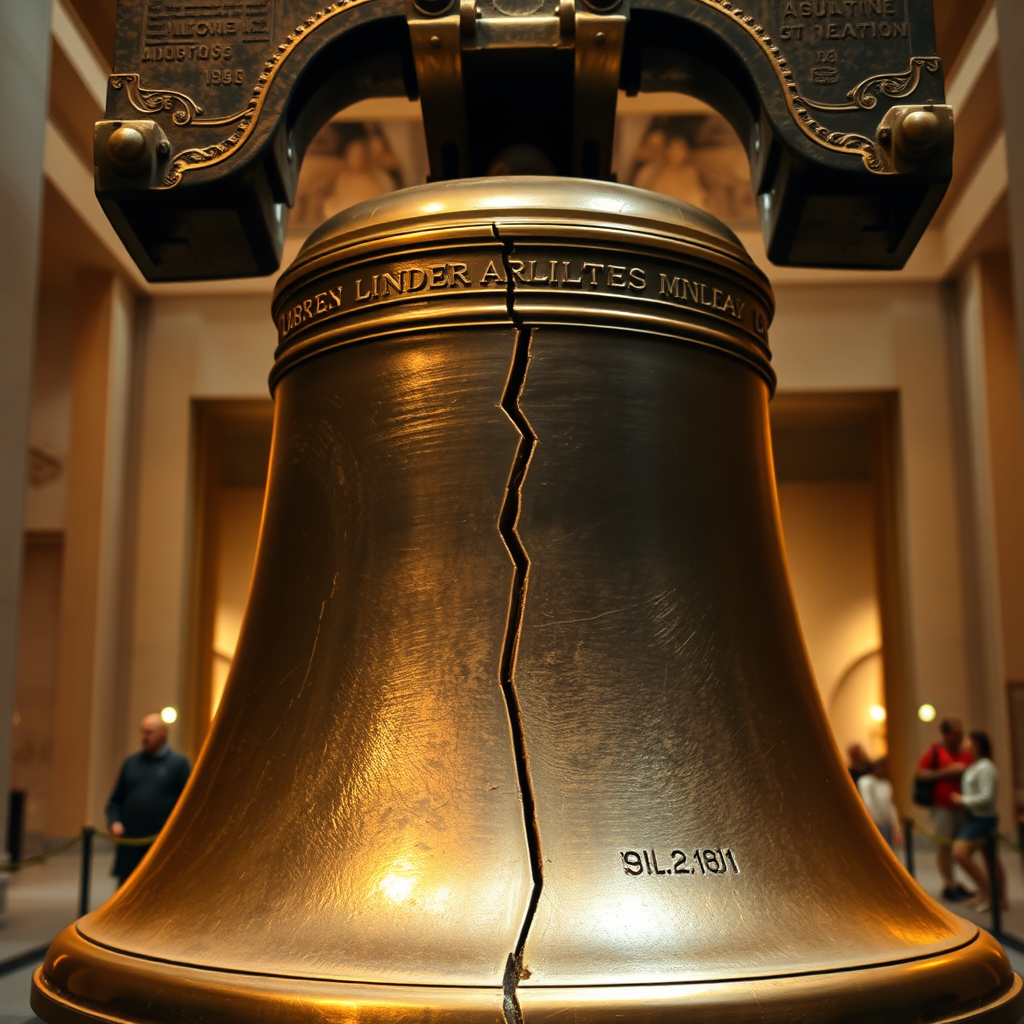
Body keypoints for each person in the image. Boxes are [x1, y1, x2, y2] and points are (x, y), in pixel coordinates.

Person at [106, 713, 191, 886]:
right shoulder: (131, 763)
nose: (144, 737)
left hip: (160, 847)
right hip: (130, 847)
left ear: (163, 734)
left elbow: (189, 806)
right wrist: (114, 821)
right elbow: (115, 801)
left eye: (149, 732)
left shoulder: (179, 764)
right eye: (143, 732)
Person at [915, 717, 974, 901]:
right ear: (947, 734)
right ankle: (949, 883)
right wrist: (946, 773)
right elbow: (920, 773)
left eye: (961, 733)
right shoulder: (935, 751)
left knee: (961, 846)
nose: (960, 737)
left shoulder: (966, 751)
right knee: (945, 845)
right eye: (956, 734)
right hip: (943, 807)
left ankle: (955, 881)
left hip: (963, 805)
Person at [952, 731, 1007, 913]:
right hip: (974, 816)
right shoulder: (975, 765)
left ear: (977, 744)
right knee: (989, 857)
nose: (965, 743)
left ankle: (990, 894)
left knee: (961, 853)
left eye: (969, 740)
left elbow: (987, 796)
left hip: (983, 818)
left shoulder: (985, 767)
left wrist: (963, 800)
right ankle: (994, 896)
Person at [857, 756, 903, 849]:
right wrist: (873, 821)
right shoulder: (866, 782)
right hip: (874, 824)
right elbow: (867, 802)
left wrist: (895, 826)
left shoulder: (886, 783)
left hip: (885, 824)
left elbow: (890, 806)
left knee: (889, 851)